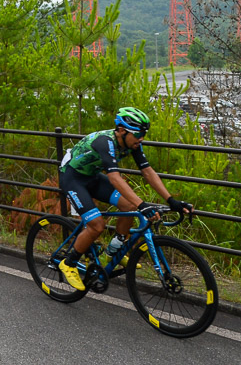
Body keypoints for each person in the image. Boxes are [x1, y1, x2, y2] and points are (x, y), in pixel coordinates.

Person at [56, 106, 193, 290]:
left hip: (92, 176)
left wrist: (171, 201)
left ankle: (114, 250)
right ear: (121, 130)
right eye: (138, 134)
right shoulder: (105, 142)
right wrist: (142, 204)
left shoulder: (132, 143)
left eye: (143, 134)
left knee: (129, 206)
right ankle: (69, 263)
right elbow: (114, 177)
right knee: (97, 225)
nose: (141, 138)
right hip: (72, 177)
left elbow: (148, 172)